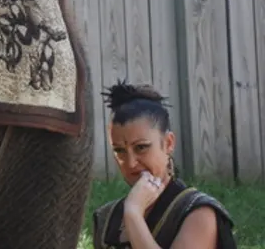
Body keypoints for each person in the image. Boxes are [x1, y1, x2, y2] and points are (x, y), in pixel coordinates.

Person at [93, 82, 237, 249]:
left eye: (141, 147)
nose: (131, 163)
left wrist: (133, 215)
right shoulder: (107, 218)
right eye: (120, 151)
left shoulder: (198, 213)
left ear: (169, 143)